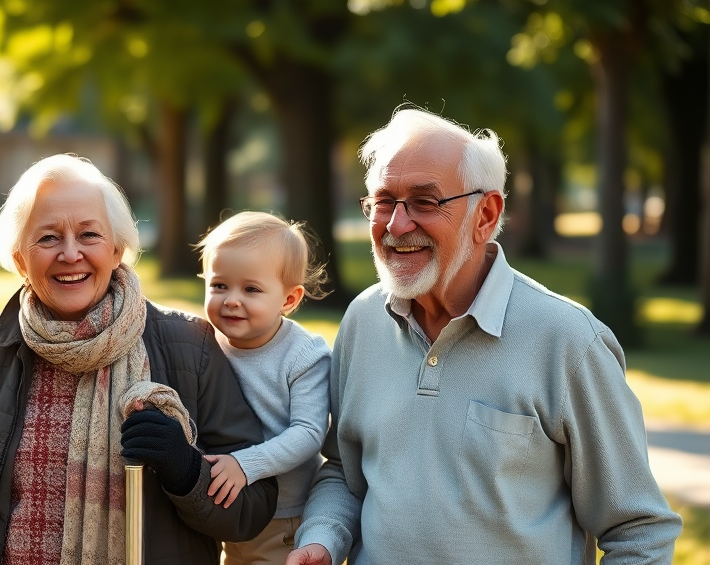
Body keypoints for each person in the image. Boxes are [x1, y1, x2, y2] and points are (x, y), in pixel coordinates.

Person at [286, 107, 682, 565]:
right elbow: (344, 472)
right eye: (384, 201)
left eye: (424, 201)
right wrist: (322, 537)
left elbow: (639, 531)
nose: (396, 225)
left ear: (486, 214)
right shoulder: (361, 321)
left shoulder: (569, 342)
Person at [0, 154, 278, 565]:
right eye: (47, 238)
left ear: (117, 249)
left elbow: (255, 506)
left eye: (89, 235)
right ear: (21, 259)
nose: (70, 254)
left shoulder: (192, 346)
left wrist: (185, 469)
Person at [194, 211, 332, 565]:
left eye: (251, 289)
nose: (232, 300)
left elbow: (308, 432)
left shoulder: (303, 354)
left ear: (288, 300)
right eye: (219, 285)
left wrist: (246, 465)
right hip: (227, 509)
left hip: (282, 516)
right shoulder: (205, 344)